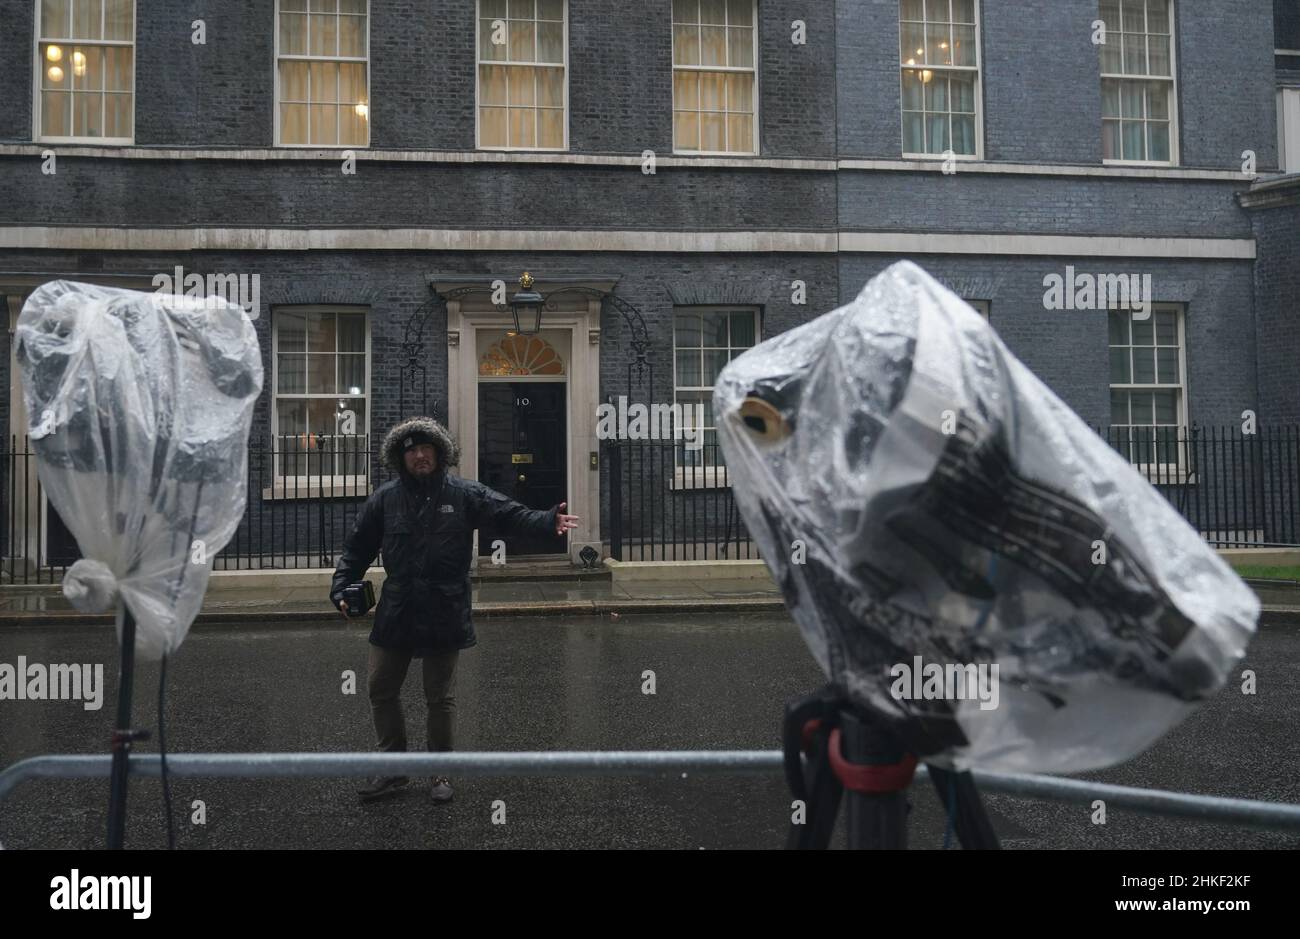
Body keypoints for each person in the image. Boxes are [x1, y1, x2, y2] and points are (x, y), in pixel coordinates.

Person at [330, 416, 580, 803]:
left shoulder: (464, 494)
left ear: (440, 452)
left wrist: (549, 521)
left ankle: (439, 772)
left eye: (426, 447)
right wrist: (340, 587)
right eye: (411, 450)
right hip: (397, 607)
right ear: (401, 457)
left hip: (444, 607)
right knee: (380, 688)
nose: (419, 455)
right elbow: (357, 548)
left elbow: (508, 514)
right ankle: (394, 770)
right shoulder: (385, 499)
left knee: (439, 697)